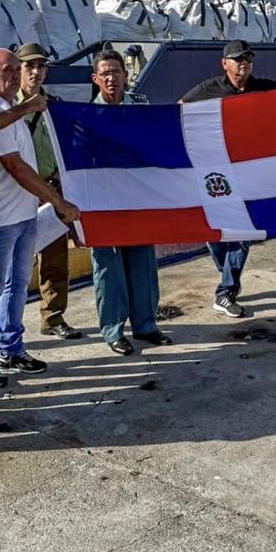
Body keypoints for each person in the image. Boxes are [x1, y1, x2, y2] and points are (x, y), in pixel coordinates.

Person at [0, 49, 80, 375]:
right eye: (7, 70)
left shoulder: (11, 109)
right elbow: (16, 168)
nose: (15, 76)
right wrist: (58, 202)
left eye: (17, 70)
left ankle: (10, 348)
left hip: (24, 214)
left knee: (17, 286)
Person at [180, 40, 276, 319]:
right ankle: (227, 273)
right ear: (224, 63)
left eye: (248, 59)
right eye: (238, 59)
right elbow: (178, 111)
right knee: (214, 232)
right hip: (215, 172)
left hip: (248, 173)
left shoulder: (262, 87)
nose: (244, 64)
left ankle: (226, 291)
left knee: (243, 231)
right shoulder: (207, 89)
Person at [90, 49, 173, 355]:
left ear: (125, 76)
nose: (112, 78)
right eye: (106, 73)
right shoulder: (85, 116)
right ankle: (113, 330)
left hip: (138, 200)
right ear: (96, 79)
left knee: (142, 265)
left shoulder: (140, 110)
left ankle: (146, 326)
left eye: (117, 72)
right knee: (109, 269)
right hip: (104, 203)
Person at [15, 42, 82, 340]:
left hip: (51, 191)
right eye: (29, 65)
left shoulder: (54, 105)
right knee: (14, 266)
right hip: (17, 193)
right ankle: (8, 327)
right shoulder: (7, 108)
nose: (36, 71)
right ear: (17, 69)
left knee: (55, 261)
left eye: (41, 66)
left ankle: (53, 318)